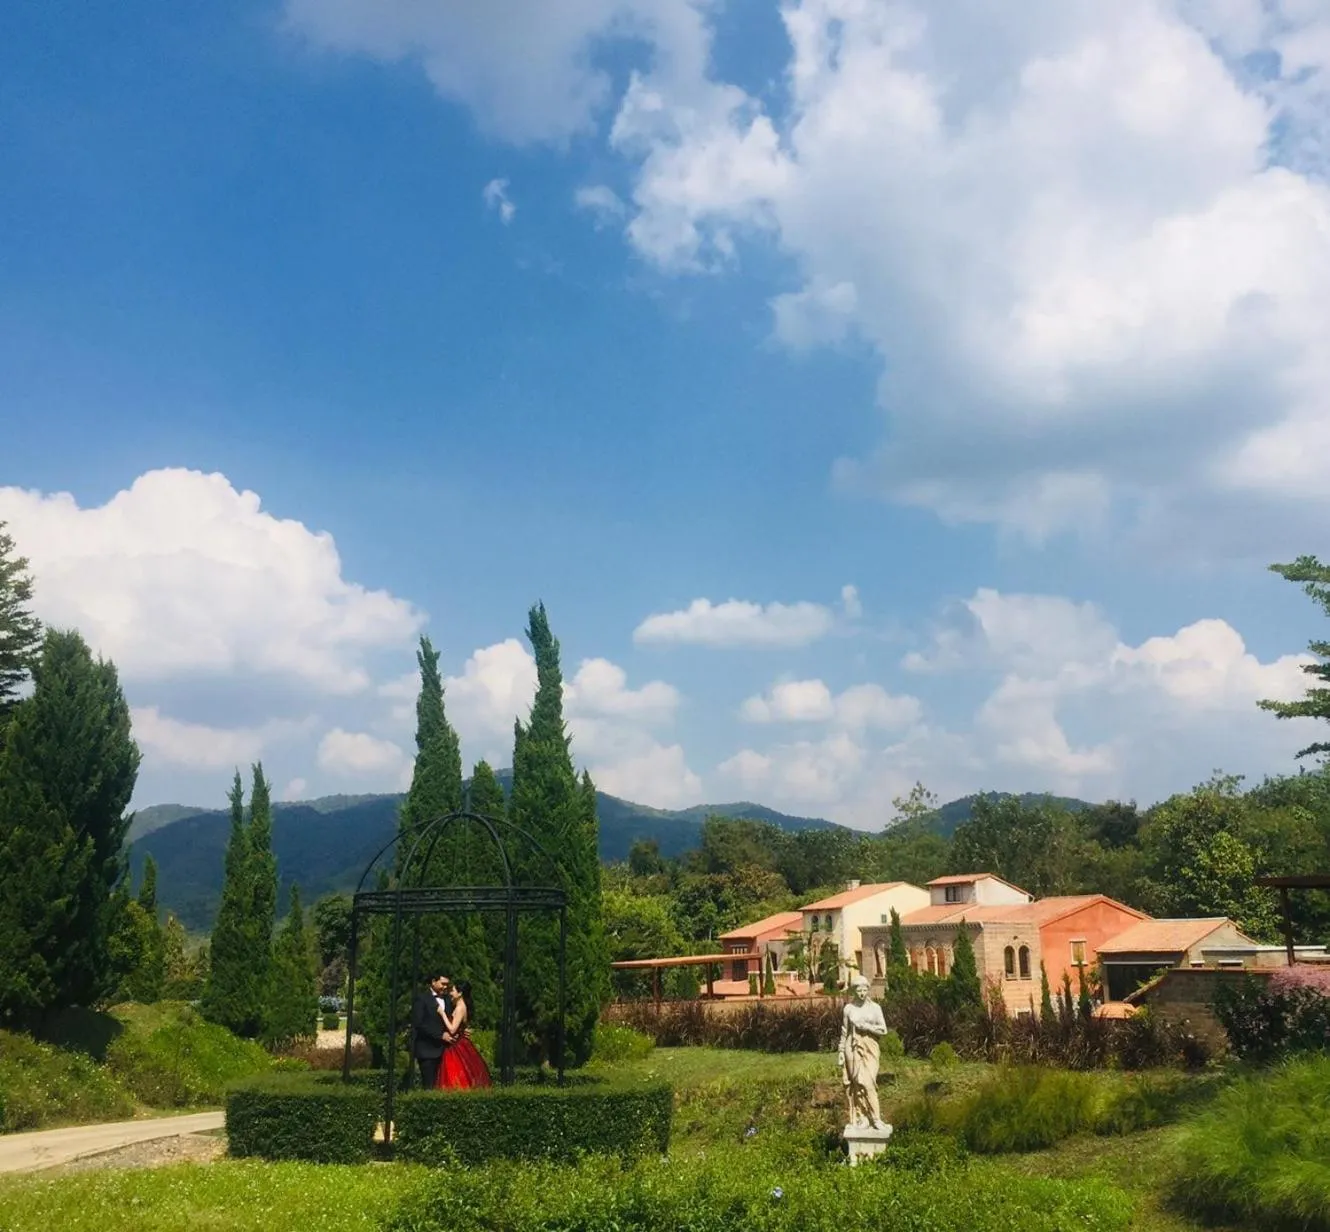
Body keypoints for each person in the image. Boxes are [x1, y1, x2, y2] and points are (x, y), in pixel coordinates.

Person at [838, 974, 888, 1129]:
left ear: (868, 989)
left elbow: (883, 1030)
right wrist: (840, 1052)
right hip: (851, 1048)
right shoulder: (848, 1009)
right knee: (857, 1084)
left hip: (870, 1047)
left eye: (864, 989)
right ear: (853, 991)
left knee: (869, 1082)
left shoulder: (875, 1008)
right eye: (858, 990)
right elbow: (844, 1031)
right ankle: (862, 1117)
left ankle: (876, 1118)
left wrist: (866, 1027)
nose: (861, 993)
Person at [436, 979, 493, 1089]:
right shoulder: (459, 1006)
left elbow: (452, 1030)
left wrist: (442, 1014)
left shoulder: (460, 1008)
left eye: (452, 990)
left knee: (454, 1075)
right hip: (458, 1044)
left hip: (455, 1046)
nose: (450, 993)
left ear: (460, 993)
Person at [411, 972, 452, 1090]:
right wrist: (440, 1035)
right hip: (427, 1050)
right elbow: (419, 1024)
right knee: (429, 1085)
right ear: (433, 982)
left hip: (446, 1050)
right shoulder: (422, 999)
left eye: (447, 985)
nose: (445, 987)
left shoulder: (448, 1000)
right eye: (443, 984)